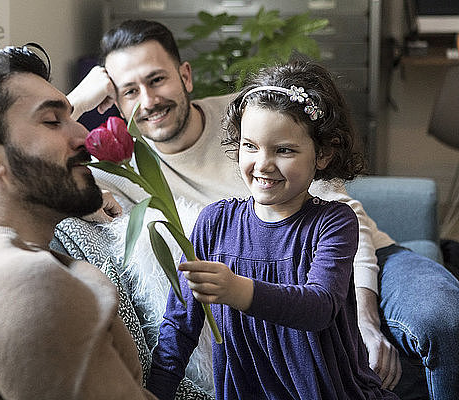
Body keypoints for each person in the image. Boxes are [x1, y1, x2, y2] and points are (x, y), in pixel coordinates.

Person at [69, 19, 459, 399]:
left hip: (359, 256)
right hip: (257, 280)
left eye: (156, 80)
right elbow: (25, 170)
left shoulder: (259, 107)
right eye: (130, 91)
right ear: (115, 100)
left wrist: (364, 316)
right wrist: (74, 104)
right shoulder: (124, 169)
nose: (149, 101)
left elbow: (338, 224)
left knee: (444, 319)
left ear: (185, 76)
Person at [0, 44, 155, 399]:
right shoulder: (27, 285)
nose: (85, 136)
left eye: (71, 117)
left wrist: (63, 180)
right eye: (53, 121)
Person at [147, 59, 398, 400]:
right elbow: (179, 327)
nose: (263, 164)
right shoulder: (213, 223)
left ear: (322, 154)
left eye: (283, 150)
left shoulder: (334, 223)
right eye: (250, 146)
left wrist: (238, 290)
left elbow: (320, 306)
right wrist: (152, 393)